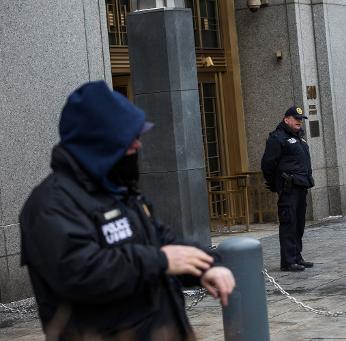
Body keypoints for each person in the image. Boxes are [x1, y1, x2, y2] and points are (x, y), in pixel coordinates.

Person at [19, 81, 235, 340]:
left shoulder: (120, 190)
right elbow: (80, 273)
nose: (138, 145)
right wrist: (162, 260)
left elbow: (162, 239)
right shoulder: (51, 204)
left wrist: (205, 266)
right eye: (127, 138)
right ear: (96, 142)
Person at [261, 106, 315, 272]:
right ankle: (288, 260)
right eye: (296, 118)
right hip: (288, 188)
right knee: (289, 224)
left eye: (301, 119)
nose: (299, 121)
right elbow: (267, 165)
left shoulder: (299, 137)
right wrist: (276, 184)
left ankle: (297, 256)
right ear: (286, 119)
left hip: (301, 186)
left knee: (298, 224)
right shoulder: (277, 138)